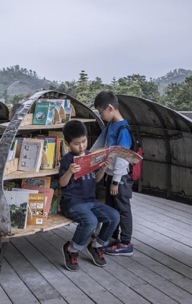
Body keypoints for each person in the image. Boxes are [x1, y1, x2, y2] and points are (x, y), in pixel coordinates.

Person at [59, 120, 120, 271]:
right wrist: (70, 172)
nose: (81, 146)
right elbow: (62, 183)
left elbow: (96, 180)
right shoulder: (67, 160)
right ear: (67, 143)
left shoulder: (90, 156)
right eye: (76, 143)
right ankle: (72, 249)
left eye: (84, 141)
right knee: (91, 221)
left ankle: (96, 245)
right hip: (72, 203)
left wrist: (103, 170)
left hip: (90, 201)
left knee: (114, 216)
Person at [93, 90, 134, 256]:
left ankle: (125, 243)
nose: (101, 116)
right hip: (110, 175)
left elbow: (122, 158)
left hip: (120, 177)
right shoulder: (111, 125)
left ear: (110, 108)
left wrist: (116, 181)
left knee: (123, 209)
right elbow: (100, 143)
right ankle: (112, 237)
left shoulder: (123, 129)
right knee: (111, 208)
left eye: (101, 112)